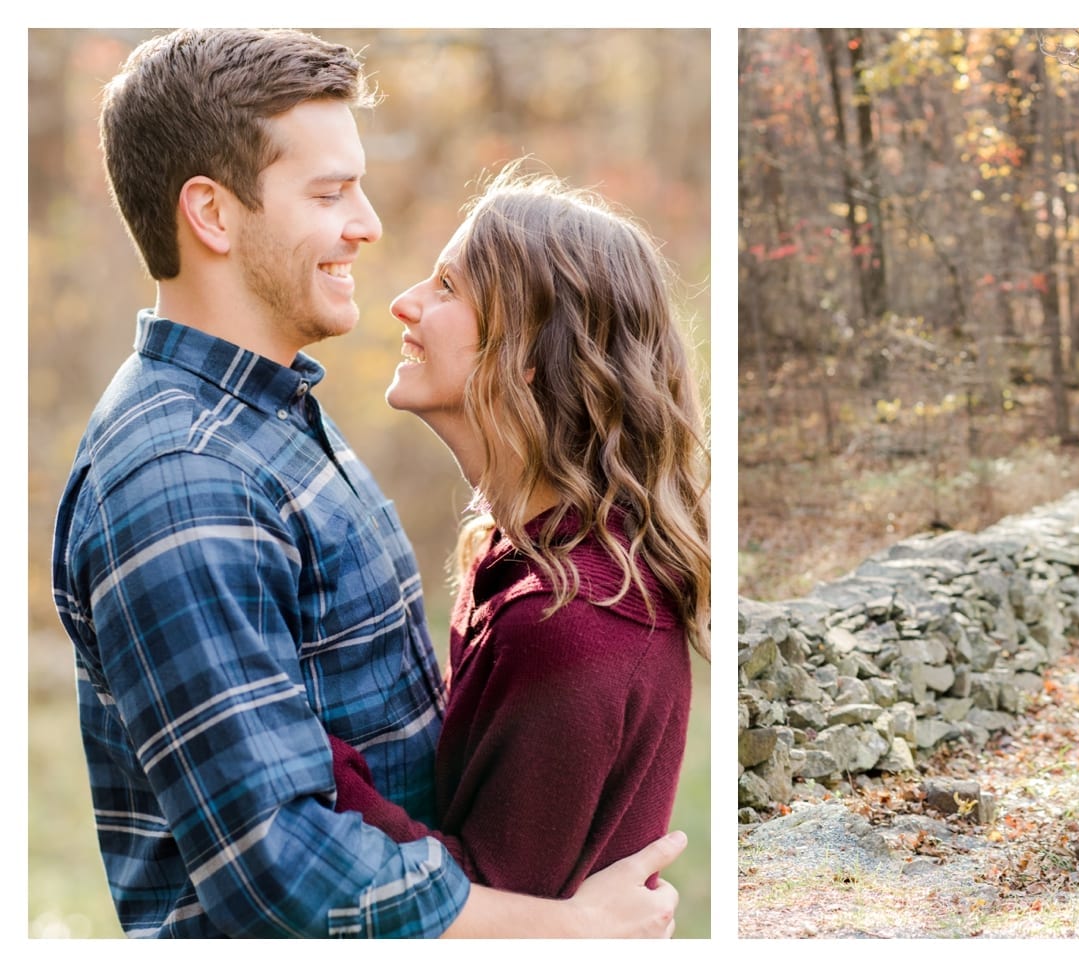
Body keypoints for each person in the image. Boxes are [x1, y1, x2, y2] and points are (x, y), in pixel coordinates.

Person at [50, 26, 683, 938]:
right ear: (213, 215)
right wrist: (564, 932)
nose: (368, 223)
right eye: (330, 191)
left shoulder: (270, 418)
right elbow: (279, 868)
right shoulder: (184, 478)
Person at [326, 165, 710, 900]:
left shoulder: (574, 620)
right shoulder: (524, 561)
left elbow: (487, 909)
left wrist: (312, 762)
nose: (404, 303)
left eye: (446, 288)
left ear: (531, 353)